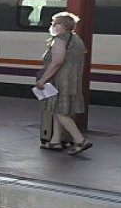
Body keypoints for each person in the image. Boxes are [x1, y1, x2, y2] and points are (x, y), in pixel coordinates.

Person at [37, 11, 92, 155]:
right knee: (57, 110)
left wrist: (43, 80)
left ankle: (80, 140)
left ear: (64, 25)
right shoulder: (77, 40)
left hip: (60, 81)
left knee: (61, 113)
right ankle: (55, 141)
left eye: (56, 23)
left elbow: (57, 62)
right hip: (72, 80)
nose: (53, 25)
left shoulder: (60, 40)